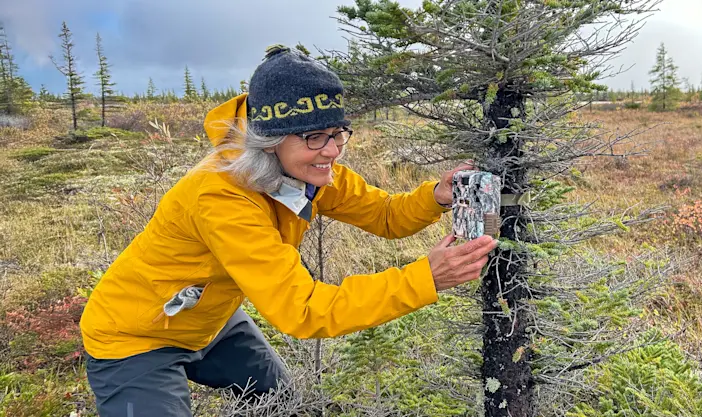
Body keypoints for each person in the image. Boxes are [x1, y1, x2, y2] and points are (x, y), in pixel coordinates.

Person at [79, 45, 497, 416]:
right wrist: (426, 277)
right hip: (136, 337)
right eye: (315, 136)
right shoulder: (221, 196)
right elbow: (302, 309)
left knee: (281, 403)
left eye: (337, 134)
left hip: (211, 317)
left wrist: (436, 196)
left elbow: (386, 215)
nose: (331, 151)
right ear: (269, 140)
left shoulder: (310, 170)